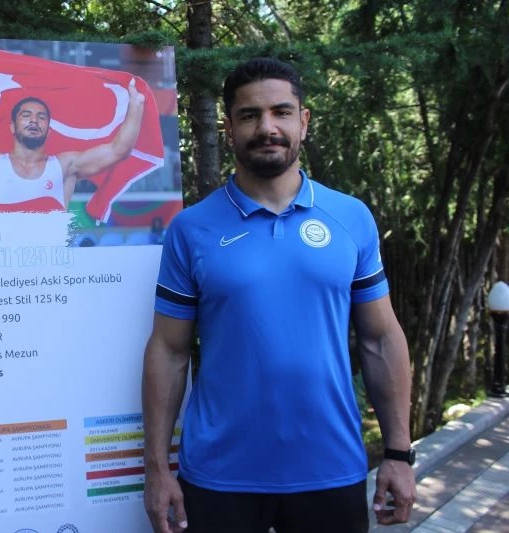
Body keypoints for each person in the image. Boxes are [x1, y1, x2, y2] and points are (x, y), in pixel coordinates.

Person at [142, 57, 415, 533]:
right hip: (219, 477)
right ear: (229, 128)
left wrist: (398, 452)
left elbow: (380, 339)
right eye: (249, 115)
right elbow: (169, 349)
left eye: (281, 112)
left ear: (303, 122)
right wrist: (156, 468)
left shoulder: (351, 218)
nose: (267, 127)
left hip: (331, 469)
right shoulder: (191, 229)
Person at [0, 53, 145, 213]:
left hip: (49, 269)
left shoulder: (65, 167)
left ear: (48, 129)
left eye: (41, 117)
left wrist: (136, 104)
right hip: (3, 270)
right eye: (26, 115)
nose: (34, 120)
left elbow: (119, 150)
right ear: (12, 126)